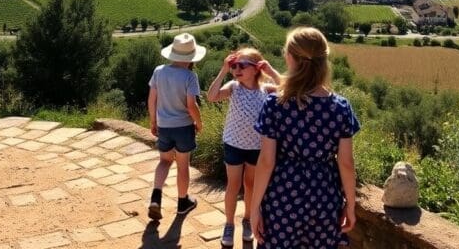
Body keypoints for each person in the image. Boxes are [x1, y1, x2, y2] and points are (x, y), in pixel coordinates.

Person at [250, 27, 360, 248]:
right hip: (324, 196)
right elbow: (346, 164)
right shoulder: (341, 107)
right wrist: (350, 205)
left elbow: (266, 162)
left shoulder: (275, 104)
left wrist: (254, 208)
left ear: (291, 58)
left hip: (283, 195)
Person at [207, 47, 281, 248]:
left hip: (256, 147)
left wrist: (271, 71)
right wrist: (223, 70)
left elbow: (289, 89)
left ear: (256, 69)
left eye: (242, 65)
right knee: (233, 185)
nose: (237, 69)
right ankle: (229, 224)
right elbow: (211, 97)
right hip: (233, 144)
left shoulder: (266, 89)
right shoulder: (233, 87)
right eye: (234, 65)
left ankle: (247, 220)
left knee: (250, 185)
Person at [147, 32, 206, 221]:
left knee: (164, 161)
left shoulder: (159, 71)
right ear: (191, 57)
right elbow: (191, 105)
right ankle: (182, 202)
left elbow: (151, 100)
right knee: (182, 165)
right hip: (183, 127)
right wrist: (199, 123)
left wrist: (153, 122)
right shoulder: (190, 76)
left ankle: (156, 197)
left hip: (164, 126)